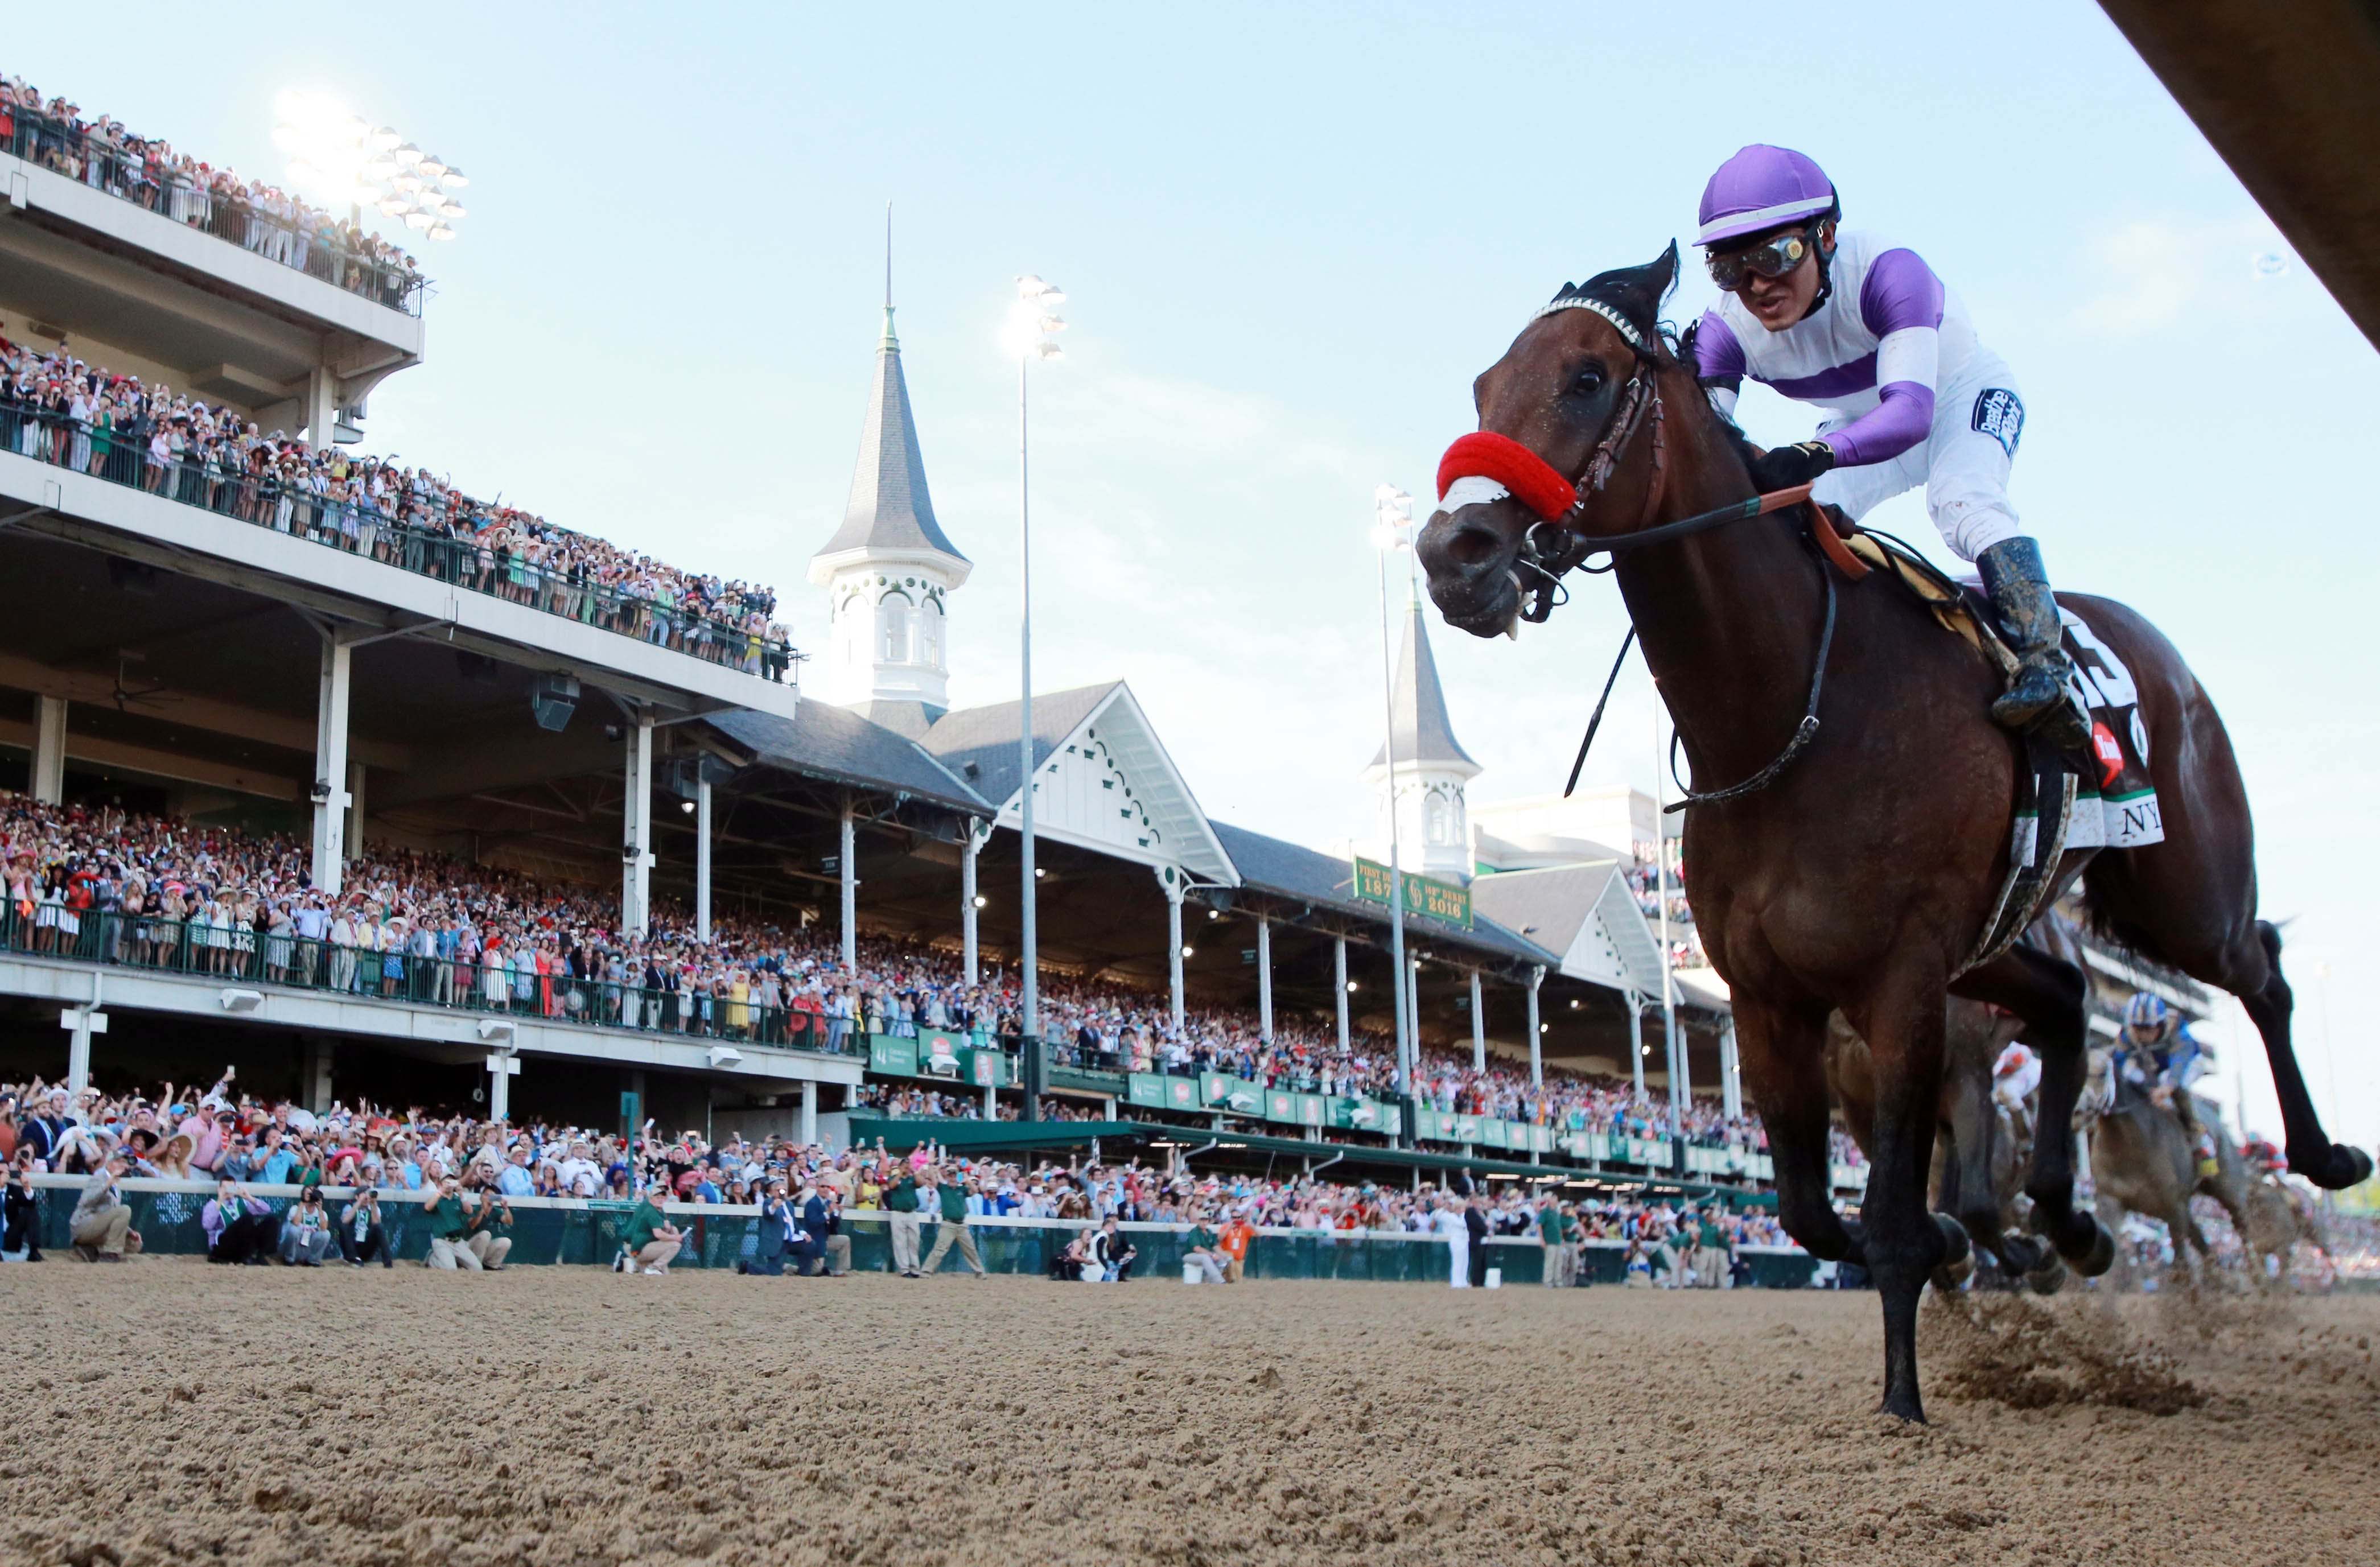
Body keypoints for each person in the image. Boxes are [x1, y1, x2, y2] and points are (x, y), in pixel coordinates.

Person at [1689, 145, 2085, 752]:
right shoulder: (1723, 332)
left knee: (1963, 499)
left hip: (1957, 395)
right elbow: (1704, 459)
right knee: (1794, 520)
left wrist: (1817, 454)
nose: (1758, 287)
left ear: (1825, 235)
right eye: (1731, 271)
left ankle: (2044, 662)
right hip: (1858, 421)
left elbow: (1909, 415)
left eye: (1776, 256)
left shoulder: (1888, 271)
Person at [2119, 991, 2219, 1175]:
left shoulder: (2177, 1030)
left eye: (2147, 1029)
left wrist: (2168, 1088)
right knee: (2126, 1073)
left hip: (2187, 1063)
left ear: (2161, 1024)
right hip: (2155, 1068)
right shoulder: (2126, 1034)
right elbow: (2117, 1059)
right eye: (2137, 1028)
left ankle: (2198, 1134)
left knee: (2171, 1083)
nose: (2140, 1034)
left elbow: (2179, 1064)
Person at [71, 1148, 141, 1261]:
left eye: (124, 1162)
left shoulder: (116, 1187)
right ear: (109, 1163)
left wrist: (130, 1231)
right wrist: (106, 1185)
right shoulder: (99, 1178)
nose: (122, 1165)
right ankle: (110, 1254)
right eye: (119, 1161)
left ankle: (90, 1248)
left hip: (98, 1227)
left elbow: (111, 1214)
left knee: (133, 1244)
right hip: (83, 1224)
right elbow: (85, 1202)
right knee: (125, 1210)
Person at [920, 1168, 987, 1277]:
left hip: (961, 1225)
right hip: (948, 1225)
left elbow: (975, 1191)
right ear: (947, 1177)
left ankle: (979, 1272)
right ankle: (926, 1271)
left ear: (957, 1177)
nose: (952, 1178)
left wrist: (967, 1180)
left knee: (971, 1250)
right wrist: (932, 1166)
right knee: (940, 1249)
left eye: (954, 1176)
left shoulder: (962, 1189)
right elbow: (933, 1179)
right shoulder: (943, 1188)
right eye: (950, 1176)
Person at [202, 1177, 279, 1264]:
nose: (228, 1191)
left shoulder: (242, 1202)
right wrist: (220, 1200)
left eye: (231, 1188)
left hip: (243, 1244)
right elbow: (207, 1226)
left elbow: (266, 1210)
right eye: (225, 1188)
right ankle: (244, 1257)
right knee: (247, 1218)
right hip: (224, 1245)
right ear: (219, 1189)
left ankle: (261, 1256)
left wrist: (249, 1198)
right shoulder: (213, 1204)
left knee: (272, 1221)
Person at [618, 1181, 682, 1275]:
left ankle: (636, 1265)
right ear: (652, 1197)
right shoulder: (650, 1209)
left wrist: (670, 1231)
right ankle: (644, 1265)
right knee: (675, 1245)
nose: (661, 1196)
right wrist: (676, 1238)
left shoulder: (658, 1209)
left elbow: (665, 1228)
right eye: (659, 1192)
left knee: (664, 1273)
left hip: (640, 1245)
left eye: (664, 1192)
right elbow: (659, 1234)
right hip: (635, 1246)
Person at [421, 1176, 481, 1271]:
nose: (449, 1185)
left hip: (458, 1241)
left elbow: (469, 1211)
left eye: (451, 1182)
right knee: (450, 1269)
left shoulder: (458, 1199)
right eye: (447, 1182)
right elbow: (428, 1207)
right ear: (441, 1184)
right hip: (442, 1240)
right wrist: (441, 1191)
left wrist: (461, 1194)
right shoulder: (437, 1198)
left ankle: (450, 1260)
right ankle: (432, 1259)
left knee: (477, 1268)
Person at [884, 1161, 924, 1279]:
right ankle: (904, 1269)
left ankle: (915, 1269)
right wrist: (900, 1173)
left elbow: (921, 1183)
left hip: (911, 1213)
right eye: (904, 1166)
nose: (906, 1168)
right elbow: (891, 1186)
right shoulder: (894, 1178)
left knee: (914, 1242)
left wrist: (914, 1171)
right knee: (900, 1242)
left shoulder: (912, 1179)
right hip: (898, 1213)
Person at [278, 1186, 333, 1265]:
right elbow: (296, 1223)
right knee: (295, 1229)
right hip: (290, 1248)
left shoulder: (322, 1213)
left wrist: (320, 1209)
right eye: (309, 1194)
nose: (311, 1196)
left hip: (307, 1249)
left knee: (326, 1233)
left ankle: (313, 1261)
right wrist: (302, 1204)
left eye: (313, 1194)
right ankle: (289, 1259)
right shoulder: (295, 1209)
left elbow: (324, 1228)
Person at [339, 1186, 392, 1267]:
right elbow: (344, 1222)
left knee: (380, 1227)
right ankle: (354, 1258)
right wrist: (359, 1202)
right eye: (364, 1196)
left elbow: (377, 1225)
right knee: (344, 1227)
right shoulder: (349, 1207)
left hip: (367, 1246)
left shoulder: (374, 1209)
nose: (367, 1198)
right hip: (352, 1245)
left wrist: (374, 1204)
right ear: (357, 1197)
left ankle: (387, 1262)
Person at [463, 1187, 514, 1269]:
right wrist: (483, 1210)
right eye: (486, 1195)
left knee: (506, 1242)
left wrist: (505, 1208)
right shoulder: (474, 1210)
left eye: (492, 1196)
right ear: (481, 1197)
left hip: (484, 1249)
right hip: (469, 1248)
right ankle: (476, 1264)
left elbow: (509, 1221)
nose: (489, 1198)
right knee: (485, 1234)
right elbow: (473, 1225)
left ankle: (491, 1265)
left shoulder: (496, 1211)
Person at [1183, 1211, 1229, 1284]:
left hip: (1204, 1255)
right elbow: (1197, 1249)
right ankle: (1219, 1281)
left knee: (1222, 1258)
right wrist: (1212, 1255)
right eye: (1202, 1220)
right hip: (1190, 1255)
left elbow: (1216, 1246)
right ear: (1198, 1221)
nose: (1204, 1223)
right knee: (1205, 1257)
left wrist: (1223, 1256)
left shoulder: (1209, 1232)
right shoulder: (1195, 1232)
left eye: (1206, 1220)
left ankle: (1212, 1280)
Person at [1435, 1196, 1471, 1288]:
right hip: (1456, 1241)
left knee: (1465, 1262)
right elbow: (1437, 1216)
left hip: (1465, 1241)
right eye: (1462, 1207)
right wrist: (1445, 1207)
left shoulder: (1465, 1217)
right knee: (1457, 1262)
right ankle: (1456, 1282)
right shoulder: (1450, 1217)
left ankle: (1463, 1281)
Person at [1091, 1215, 1138, 1282]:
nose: (1111, 1228)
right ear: (1104, 1227)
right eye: (1108, 1226)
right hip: (1095, 1264)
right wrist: (1107, 1268)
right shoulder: (1103, 1237)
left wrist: (1124, 1256)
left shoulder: (1107, 1236)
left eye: (1112, 1226)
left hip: (1100, 1262)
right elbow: (1100, 1256)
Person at [1463, 1193, 1491, 1288]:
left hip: (1482, 1240)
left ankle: (1481, 1281)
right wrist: (1486, 1229)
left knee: (1482, 1262)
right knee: (1477, 1263)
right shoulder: (1470, 1212)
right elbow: (1478, 1225)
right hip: (1475, 1240)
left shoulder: (1480, 1212)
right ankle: (1476, 1282)